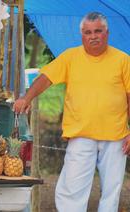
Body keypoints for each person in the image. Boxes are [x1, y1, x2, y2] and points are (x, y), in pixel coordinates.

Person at [13, 12, 130, 212]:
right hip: (80, 135)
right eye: (88, 32)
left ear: (107, 33)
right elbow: (46, 78)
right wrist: (27, 98)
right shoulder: (70, 57)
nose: (93, 36)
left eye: (98, 31)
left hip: (116, 136)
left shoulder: (123, 60)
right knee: (71, 190)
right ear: (82, 35)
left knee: (112, 191)